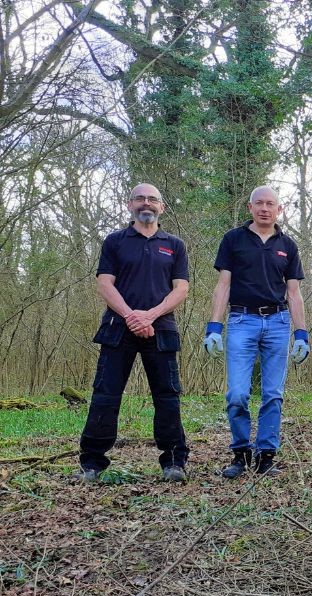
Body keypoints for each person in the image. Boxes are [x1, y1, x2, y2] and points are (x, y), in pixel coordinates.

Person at [76, 183, 190, 483]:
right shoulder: (115, 242)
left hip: (162, 328)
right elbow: (104, 283)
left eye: (153, 199)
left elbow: (182, 288)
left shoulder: (174, 245)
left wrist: (150, 315)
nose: (146, 203)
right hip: (117, 329)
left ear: (161, 207)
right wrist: (130, 316)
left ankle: (174, 462)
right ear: (130, 205)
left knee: (167, 397)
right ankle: (92, 464)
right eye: (140, 198)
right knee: (105, 395)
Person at [204, 186, 310, 478]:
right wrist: (214, 326)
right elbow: (223, 285)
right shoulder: (233, 240)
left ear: (280, 209)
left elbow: (294, 292)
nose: (265, 208)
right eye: (259, 203)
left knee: (273, 394)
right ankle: (240, 452)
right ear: (250, 207)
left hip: (278, 323)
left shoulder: (287, 245)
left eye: (270, 204)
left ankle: (266, 455)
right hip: (241, 321)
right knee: (237, 393)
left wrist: (301, 333)